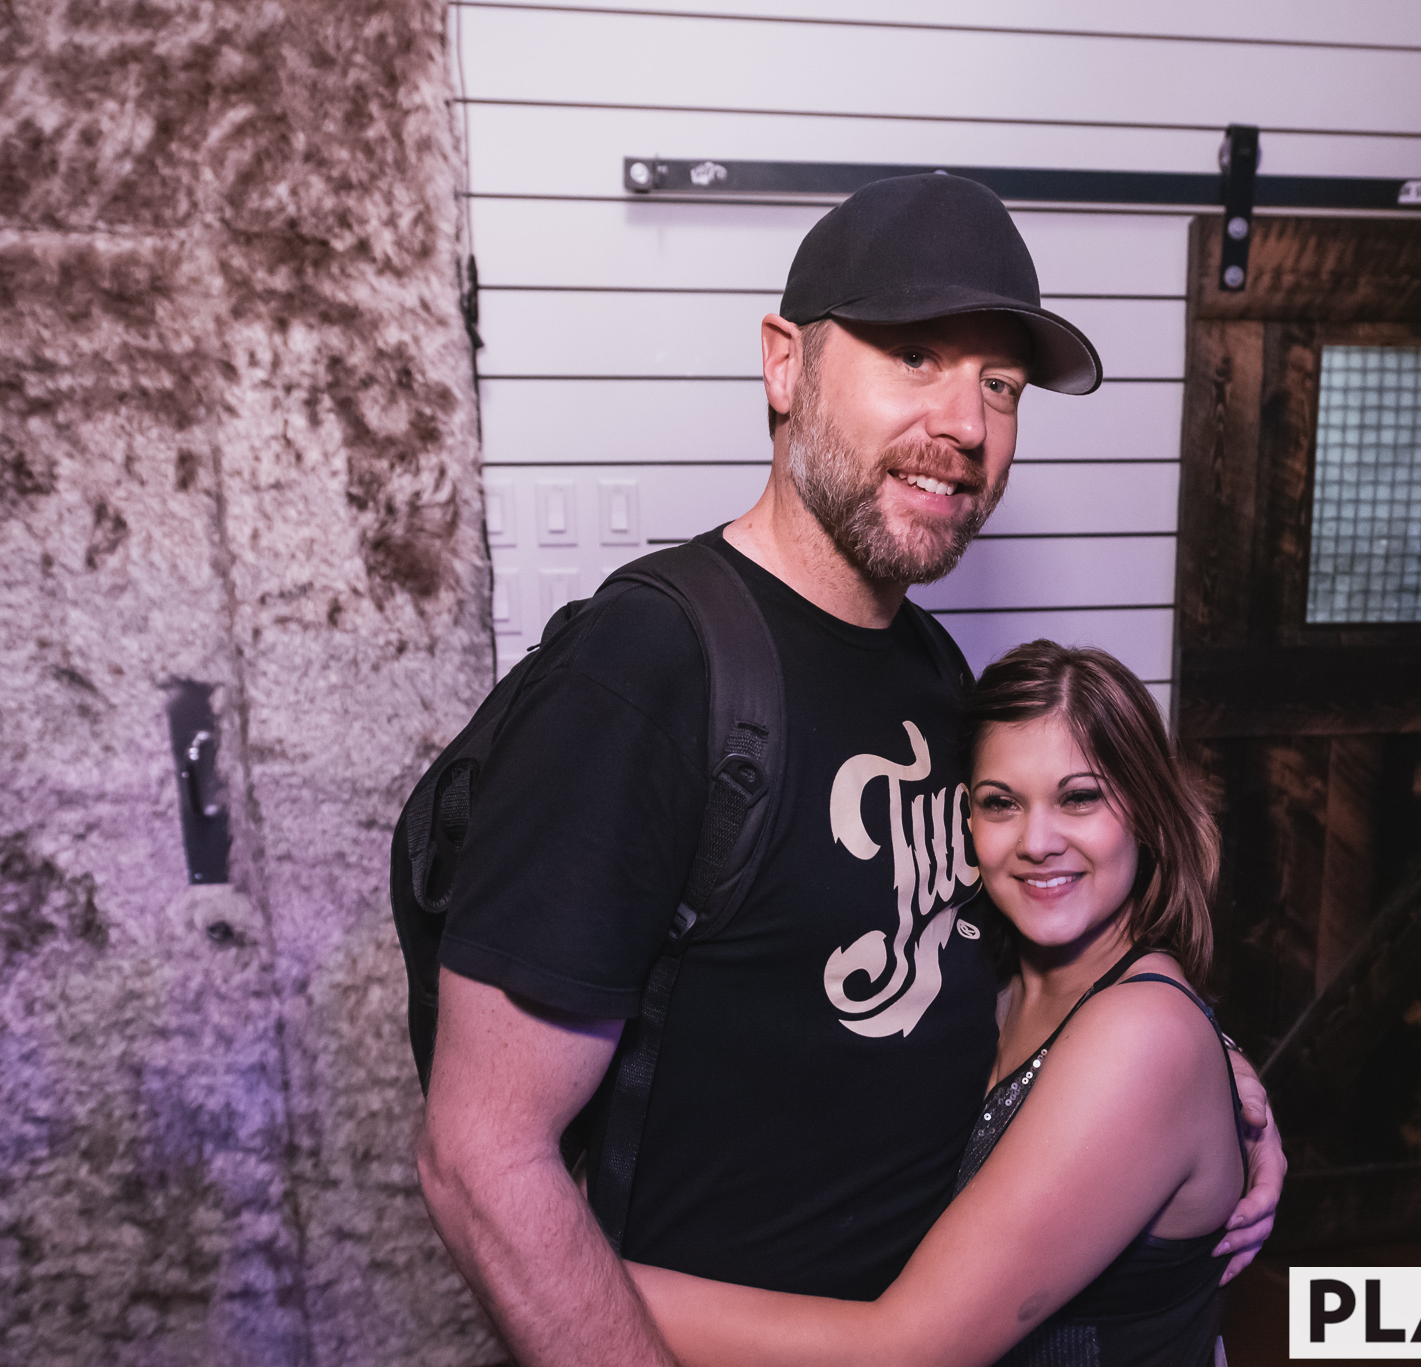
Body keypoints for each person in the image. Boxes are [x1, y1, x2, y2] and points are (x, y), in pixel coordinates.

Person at [416, 173, 1285, 1367]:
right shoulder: (651, 668)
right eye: (914, 355)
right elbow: (480, 1160)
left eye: (999, 385)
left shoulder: (929, 670)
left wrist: (1203, 1081)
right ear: (785, 366)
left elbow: (999, 954)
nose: (966, 424)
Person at [631, 641, 1250, 1366]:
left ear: (1146, 811)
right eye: (1000, 803)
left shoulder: (1142, 1034)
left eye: (1079, 797)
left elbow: (908, 1352)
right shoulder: (980, 981)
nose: (1038, 842)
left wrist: (565, 1265)